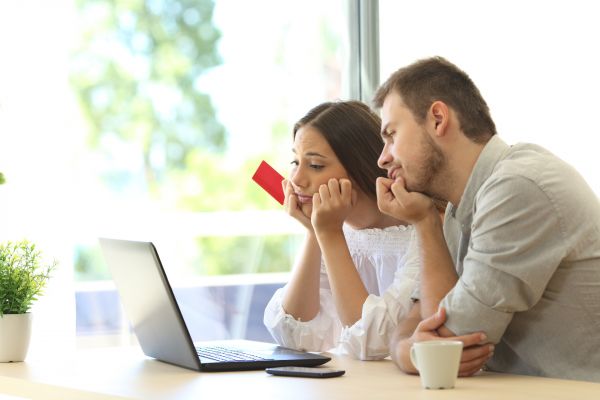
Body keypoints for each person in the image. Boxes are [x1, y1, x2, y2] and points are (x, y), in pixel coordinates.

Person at [374, 56, 600, 381]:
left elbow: (445, 349)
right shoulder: (458, 205)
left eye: (391, 135)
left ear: (438, 118)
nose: (383, 158)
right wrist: (405, 349)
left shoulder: (518, 186)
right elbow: (414, 326)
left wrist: (425, 224)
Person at [263, 100, 420, 360]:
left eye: (315, 166)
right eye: (295, 162)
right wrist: (315, 233)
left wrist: (329, 234)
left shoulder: (422, 233)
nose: (297, 180)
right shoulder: (334, 228)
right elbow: (294, 338)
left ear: (359, 167)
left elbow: (373, 343)